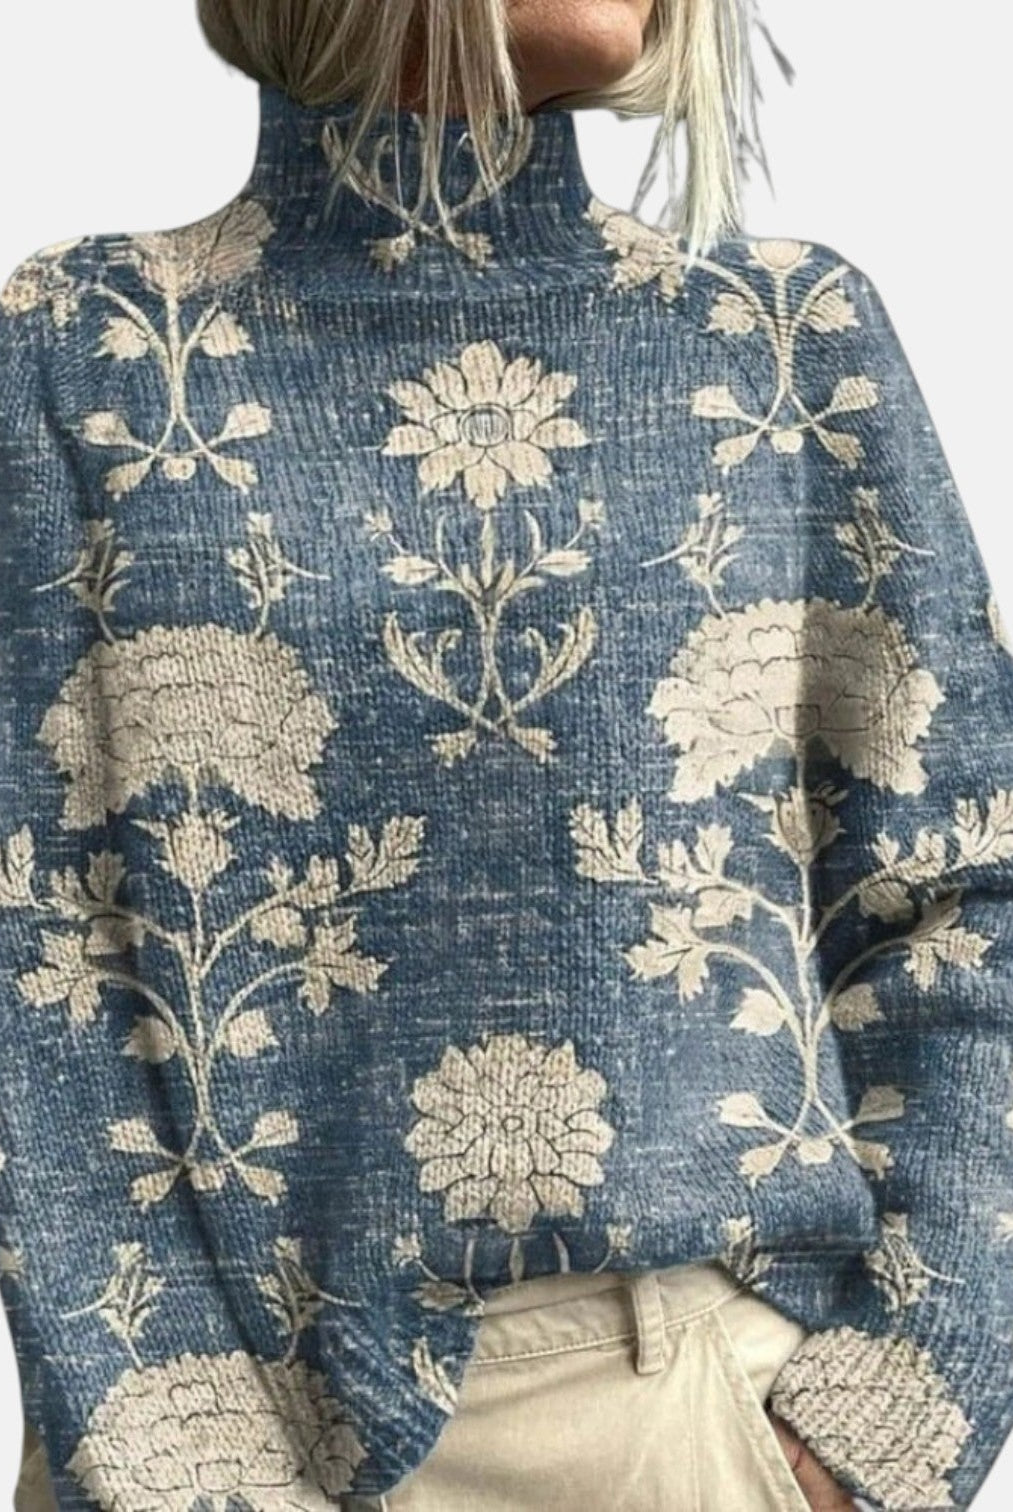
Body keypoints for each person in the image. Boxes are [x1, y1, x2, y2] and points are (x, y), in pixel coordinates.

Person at [1, 2, 1011, 1507]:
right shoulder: (87, 345)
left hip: (685, 1413)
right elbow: (30, 948)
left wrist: (878, 1416)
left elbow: (963, 889)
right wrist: (173, 1468)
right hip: (202, 1431)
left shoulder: (783, 338)